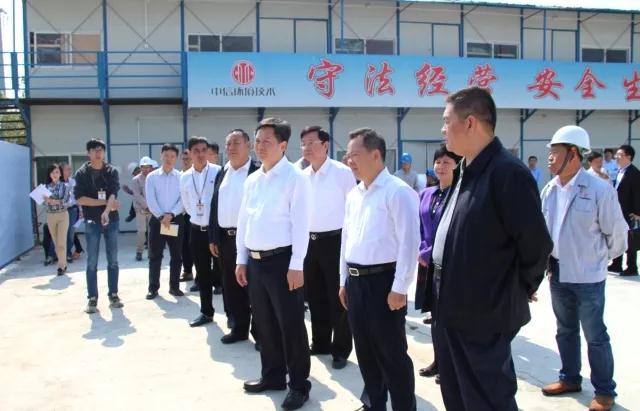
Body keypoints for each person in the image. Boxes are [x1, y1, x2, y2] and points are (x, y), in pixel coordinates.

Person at [433, 87, 552, 410]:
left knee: (487, 400)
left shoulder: (507, 173)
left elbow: (536, 245)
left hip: (484, 316)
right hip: (451, 309)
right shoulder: (466, 170)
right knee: (457, 395)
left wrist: (515, 289)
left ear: (470, 123)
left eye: (447, 121)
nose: (443, 129)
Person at [540, 125, 627, 411]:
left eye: (555, 152)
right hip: (558, 273)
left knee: (595, 335)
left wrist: (596, 260)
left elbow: (617, 235)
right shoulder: (550, 190)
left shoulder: (599, 189)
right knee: (564, 330)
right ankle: (570, 378)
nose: (550, 158)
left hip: (589, 277)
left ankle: (604, 390)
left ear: (574, 154)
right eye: (550, 152)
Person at [339, 128, 420, 411]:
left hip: (384, 283)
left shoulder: (398, 192)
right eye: (347, 155)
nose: (349, 161)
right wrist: (343, 280)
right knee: (365, 350)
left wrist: (400, 288)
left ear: (376, 155)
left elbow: (409, 243)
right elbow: (346, 240)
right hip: (356, 283)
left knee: (392, 355)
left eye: (355, 155)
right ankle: (374, 403)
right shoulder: (354, 194)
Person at [235, 118, 312, 410]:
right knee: (264, 323)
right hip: (255, 262)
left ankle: (299, 385)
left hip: (283, 262)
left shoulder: (295, 177)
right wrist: (241, 259)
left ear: (282, 145)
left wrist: (297, 264)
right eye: (257, 141)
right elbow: (244, 221)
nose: (260, 146)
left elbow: (301, 224)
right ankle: (273, 376)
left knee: (291, 325)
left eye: (266, 141)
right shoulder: (252, 179)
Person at [300, 126, 355, 370]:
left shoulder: (342, 173)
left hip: (335, 241)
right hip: (308, 242)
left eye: (312, 142)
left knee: (338, 297)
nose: (307, 147)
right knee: (315, 295)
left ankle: (340, 349)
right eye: (303, 143)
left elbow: (352, 209)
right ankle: (320, 342)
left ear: (325, 145)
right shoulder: (302, 176)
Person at [208, 129, 260, 344]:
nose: (231, 148)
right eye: (228, 144)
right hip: (225, 239)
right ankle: (239, 329)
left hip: (250, 239)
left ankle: (261, 334)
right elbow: (215, 204)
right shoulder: (223, 172)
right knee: (231, 286)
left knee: (255, 288)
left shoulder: (258, 172)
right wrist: (213, 236)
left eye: (236, 143)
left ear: (248, 145)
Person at [416, 146, 461, 384]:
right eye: (438, 162)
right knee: (434, 315)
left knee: (448, 317)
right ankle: (439, 360)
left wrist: (430, 251)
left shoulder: (460, 195)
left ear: (457, 166)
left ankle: (450, 365)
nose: (441, 166)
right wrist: (420, 249)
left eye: (447, 162)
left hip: (448, 264)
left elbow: (455, 231)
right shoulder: (426, 193)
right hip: (426, 264)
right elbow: (418, 225)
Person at [74, 138, 122, 314]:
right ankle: (92, 298)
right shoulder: (81, 173)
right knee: (92, 261)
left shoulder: (111, 171)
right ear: (88, 153)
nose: (98, 153)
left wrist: (106, 211)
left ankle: (114, 294)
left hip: (111, 220)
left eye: (101, 149)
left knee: (113, 260)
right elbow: (80, 198)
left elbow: (113, 194)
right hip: (92, 221)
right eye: (94, 150)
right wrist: (103, 204)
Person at [180, 137, 221, 326]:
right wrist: (199, 217)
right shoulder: (185, 177)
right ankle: (206, 312)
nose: (201, 154)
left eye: (204, 150)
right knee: (202, 274)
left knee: (224, 274)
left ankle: (234, 316)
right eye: (196, 150)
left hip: (217, 231)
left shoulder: (218, 171)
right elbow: (187, 204)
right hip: (196, 230)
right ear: (189, 153)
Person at [145, 144, 186, 299]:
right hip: (158, 221)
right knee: (155, 256)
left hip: (175, 220)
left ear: (176, 158)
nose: (169, 159)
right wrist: (162, 216)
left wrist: (171, 214)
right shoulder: (152, 177)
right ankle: (153, 288)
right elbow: (151, 200)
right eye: (166, 155)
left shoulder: (181, 177)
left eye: (172, 156)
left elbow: (183, 199)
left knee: (176, 256)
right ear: (161, 156)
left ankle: (174, 287)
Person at [609, 144, 640, 276]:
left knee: (630, 239)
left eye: (620, 155)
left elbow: (638, 194)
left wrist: (638, 212)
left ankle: (632, 267)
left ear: (628, 157)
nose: (616, 157)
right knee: (618, 237)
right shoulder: (620, 171)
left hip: (629, 212)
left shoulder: (634, 173)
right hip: (618, 211)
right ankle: (616, 264)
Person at [44, 164, 71, 276]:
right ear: (49, 175)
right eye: (52, 172)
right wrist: (47, 201)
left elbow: (66, 201)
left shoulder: (65, 186)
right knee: (56, 242)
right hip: (50, 215)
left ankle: (61, 266)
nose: (54, 174)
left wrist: (53, 201)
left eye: (57, 172)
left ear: (60, 174)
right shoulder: (45, 187)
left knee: (61, 242)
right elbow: (43, 202)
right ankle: (63, 263)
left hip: (62, 215)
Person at [132, 156, 154, 261]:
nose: (145, 169)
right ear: (140, 167)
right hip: (141, 209)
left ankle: (151, 251)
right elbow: (137, 195)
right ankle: (139, 251)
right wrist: (147, 206)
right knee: (141, 231)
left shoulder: (153, 178)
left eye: (147, 167)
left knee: (152, 231)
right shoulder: (136, 179)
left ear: (150, 167)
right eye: (143, 167)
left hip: (152, 209)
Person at [61, 162, 81, 263]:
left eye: (70, 169)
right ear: (62, 171)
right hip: (60, 210)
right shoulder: (58, 183)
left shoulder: (73, 182)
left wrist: (81, 210)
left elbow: (78, 197)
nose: (70, 171)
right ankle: (57, 254)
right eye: (67, 169)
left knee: (70, 232)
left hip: (72, 209)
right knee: (60, 233)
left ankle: (68, 253)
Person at [180, 149, 195, 282]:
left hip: (195, 215)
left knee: (195, 245)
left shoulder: (196, 175)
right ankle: (187, 271)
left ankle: (201, 274)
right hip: (180, 215)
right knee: (183, 244)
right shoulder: (177, 176)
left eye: (189, 159)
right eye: (184, 159)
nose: (186, 161)